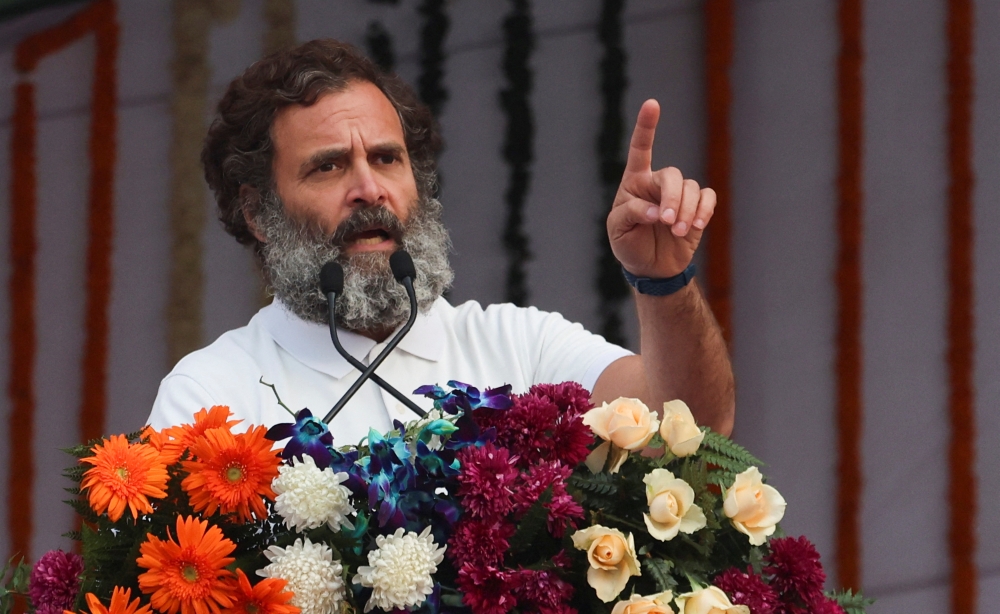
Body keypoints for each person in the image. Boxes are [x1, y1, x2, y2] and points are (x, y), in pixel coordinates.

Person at [147, 39, 734, 445]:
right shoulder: (210, 394)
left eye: (386, 158)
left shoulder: (519, 348)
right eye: (328, 167)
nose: (369, 190)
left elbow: (686, 431)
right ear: (257, 212)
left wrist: (663, 283)